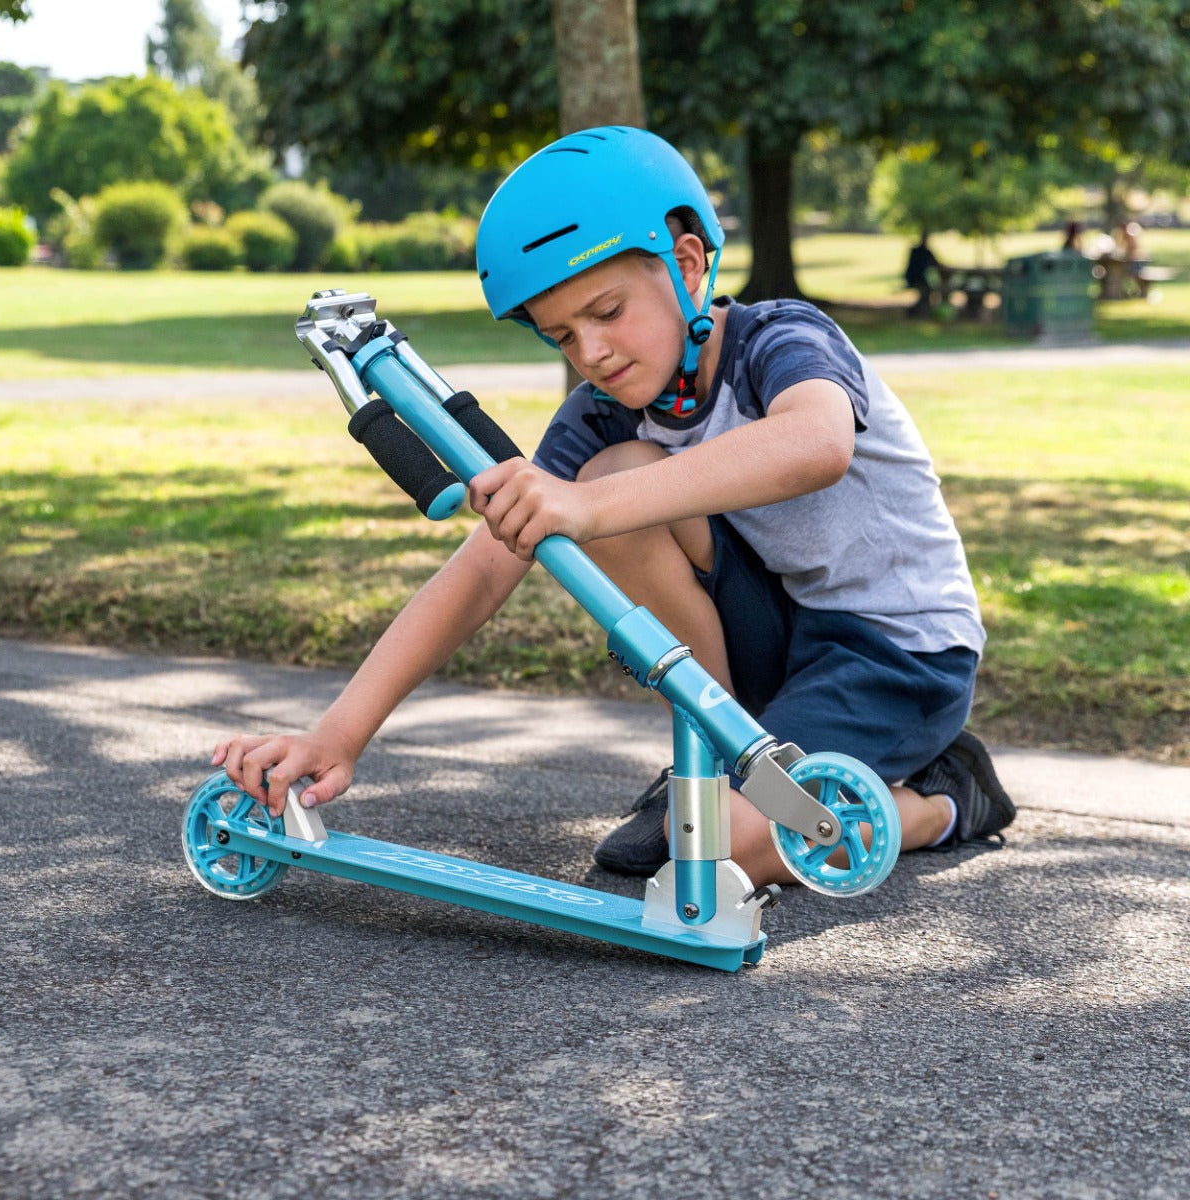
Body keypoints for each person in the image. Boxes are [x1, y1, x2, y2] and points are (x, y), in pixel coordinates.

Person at [213, 127, 1014, 890]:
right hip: (785, 638)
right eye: (562, 335)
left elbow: (815, 445)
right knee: (610, 473)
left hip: (899, 656)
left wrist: (588, 504)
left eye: (606, 312)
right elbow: (490, 564)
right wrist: (339, 733)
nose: (590, 353)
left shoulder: (782, 338)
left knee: (725, 848)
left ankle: (944, 800)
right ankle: (720, 745)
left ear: (688, 263)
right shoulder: (604, 412)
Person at [903, 232, 942, 317]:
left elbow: (936, 264)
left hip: (916, 279)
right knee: (929, 291)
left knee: (929, 291)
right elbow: (937, 265)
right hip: (917, 279)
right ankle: (920, 311)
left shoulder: (919, 252)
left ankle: (922, 310)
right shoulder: (922, 252)